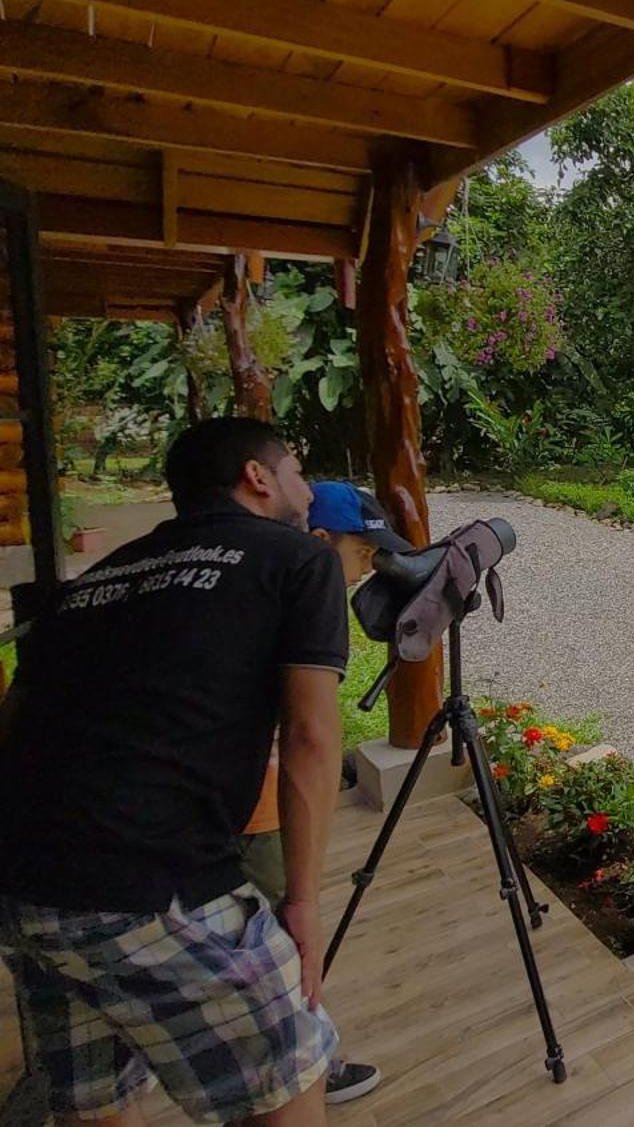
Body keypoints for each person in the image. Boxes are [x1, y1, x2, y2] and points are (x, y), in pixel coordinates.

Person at [0, 419, 347, 1127]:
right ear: (257, 476)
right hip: (152, 878)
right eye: (297, 470)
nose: (307, 491)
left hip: (20, 882)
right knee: (289, 1069)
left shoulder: (97, 578)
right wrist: (304, 904)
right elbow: (311, 733)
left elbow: (14, 725)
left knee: (95, 1099)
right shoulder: (294, 558)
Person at [233, 482, 409, 1108]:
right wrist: (306, 896)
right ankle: (309, 1067)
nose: (369, 568)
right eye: (363, 552)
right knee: (280, 936)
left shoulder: (246, 580)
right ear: (318, 541)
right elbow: (311, 733)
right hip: (247, 804)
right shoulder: (306, 587)